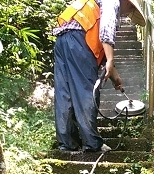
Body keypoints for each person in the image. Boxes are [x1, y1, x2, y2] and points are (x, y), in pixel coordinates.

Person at [52, 0, 146, 153]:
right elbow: (105, 32)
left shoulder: (95, 3)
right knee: (86, 93)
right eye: (129, 10)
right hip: (79, 42)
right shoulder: (111, 2)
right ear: (128, 3)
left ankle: (67, 143)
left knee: (65, 93)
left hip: (63, 40)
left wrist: (115, 77)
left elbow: (98, 45)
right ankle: (92, 143)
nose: (126, 14)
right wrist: (110, 60)